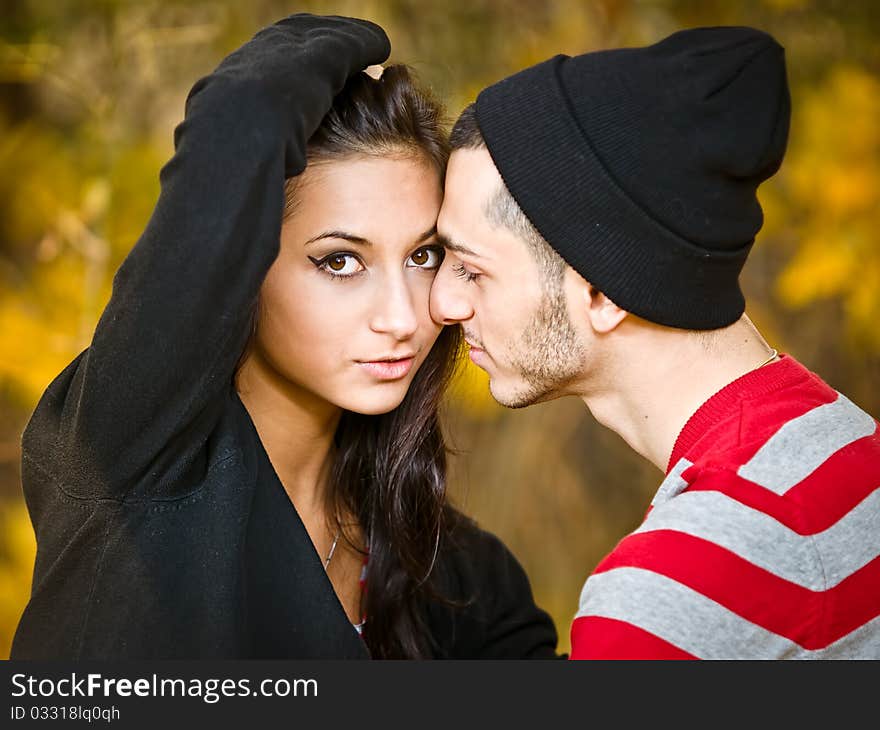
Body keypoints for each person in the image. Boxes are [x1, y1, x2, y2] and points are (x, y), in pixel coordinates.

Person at [11, 14, 559, 660]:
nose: (403, 318)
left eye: (423, 256)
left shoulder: (454, 576)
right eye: (339, 261)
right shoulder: (133, 459)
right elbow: (238, 124)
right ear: (243, 266)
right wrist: (360, 40)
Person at [430, 26, 880, 659]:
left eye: (472, 269)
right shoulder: (850, 447)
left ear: (603, 293)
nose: (444, 303)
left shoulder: (661, 603)